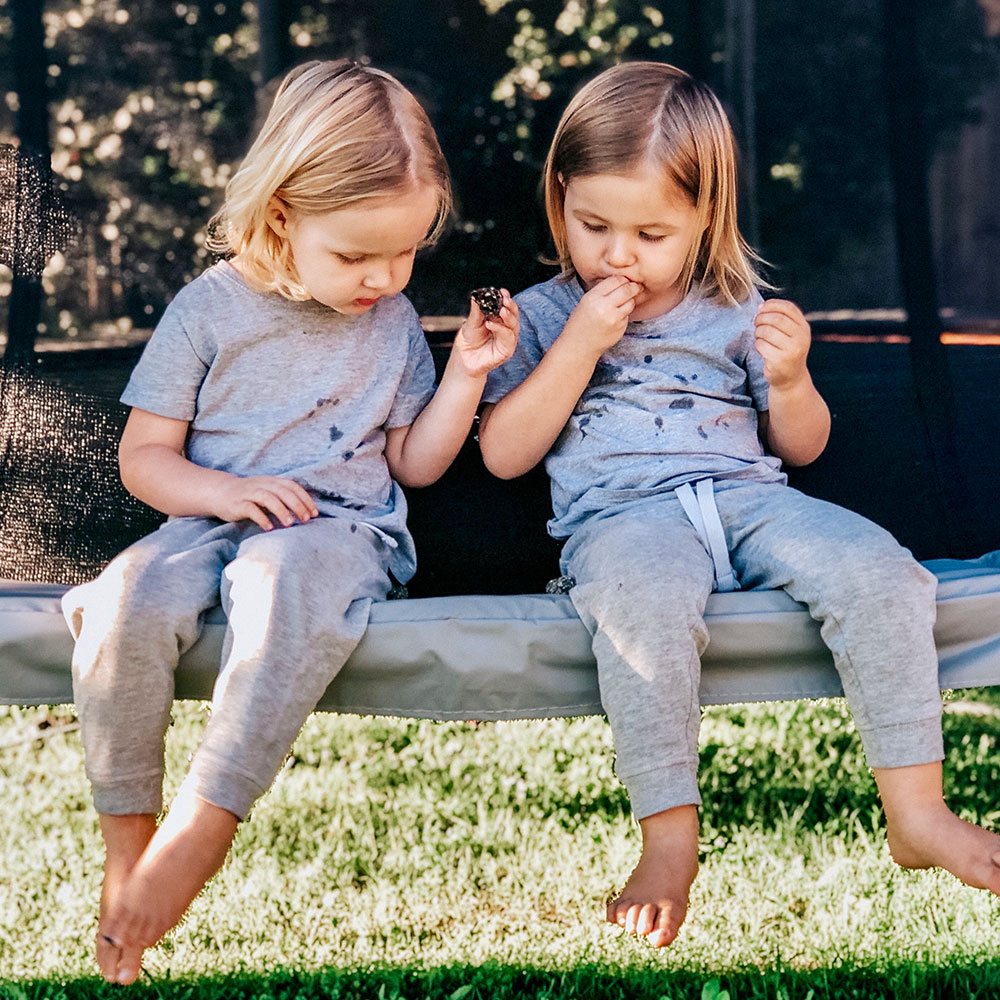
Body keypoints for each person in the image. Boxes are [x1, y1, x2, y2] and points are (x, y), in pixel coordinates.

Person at [478, 60, 1000, 948]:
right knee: (643, 614)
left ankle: (917, 813)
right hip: (622, 521)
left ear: (702, 220)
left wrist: (791, 378)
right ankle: (668, 841)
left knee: (883, 573)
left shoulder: (732, 306)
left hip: (747, 498)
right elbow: (503, 454)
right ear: (558, 197)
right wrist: (577, 345)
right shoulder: (538, 315)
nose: (618, 253)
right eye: (594, 224)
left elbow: (802, 446)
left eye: (651, 232)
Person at [63, 59, 518, 985]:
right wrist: (223, 494)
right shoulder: (209, 311)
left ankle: (206, 821)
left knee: (277, 585)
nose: (384, 278)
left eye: (404, 254)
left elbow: (412, 463)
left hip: (340, 534)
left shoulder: (389, 321)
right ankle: (129, 848)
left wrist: (466, 374)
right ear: (281, 215)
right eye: (355, 255)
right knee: (121, 603)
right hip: (207, 523)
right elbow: (143, 460)